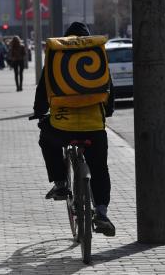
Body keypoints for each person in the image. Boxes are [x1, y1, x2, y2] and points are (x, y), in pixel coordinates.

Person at [33, 21, 116, 237]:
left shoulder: (57, 57)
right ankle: (102, 212)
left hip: (63, 125)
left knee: (46, 139)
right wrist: (107, 112)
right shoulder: (97, 57)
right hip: (93, 126)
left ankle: (61, 183)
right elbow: (108, 89)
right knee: (100, 168)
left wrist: (40, 111)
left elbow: (44, 88)